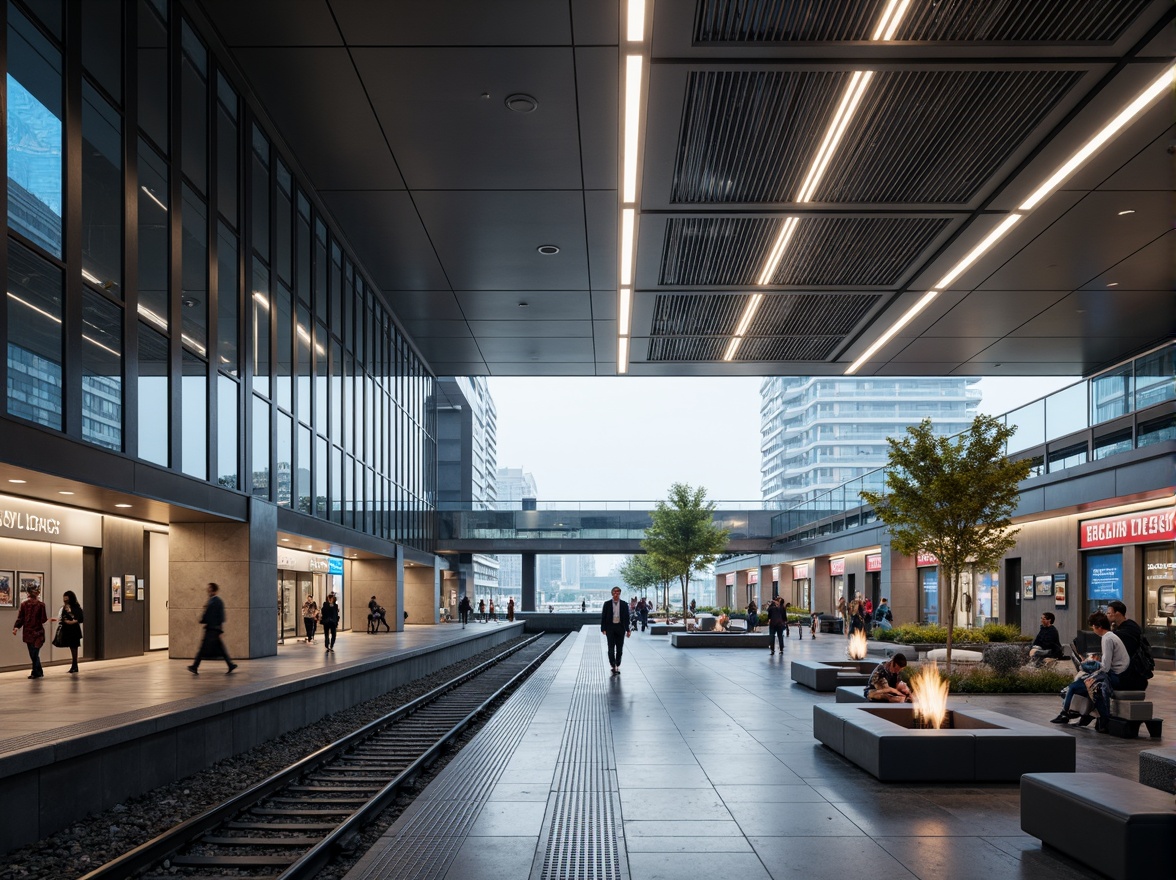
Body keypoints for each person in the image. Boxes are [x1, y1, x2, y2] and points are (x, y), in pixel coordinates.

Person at [1052, 612, 1128, 730]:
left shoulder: (1107, 639)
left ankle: (1065, 714)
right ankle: (1080, 714)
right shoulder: (1111, 636)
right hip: (1118, 674)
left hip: (1114, 676)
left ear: (1098, 626)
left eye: (1093, 626)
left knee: (1074, 687)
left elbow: (1105, 667)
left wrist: (1089, 664)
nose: (1093, 629)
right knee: (1083, 683)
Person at [189, 582, 237, 674]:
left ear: (213, 590)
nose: (207, 590)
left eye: (209, 588)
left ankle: (195, 666)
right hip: (213, 629)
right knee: (221, 648)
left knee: (203, 648)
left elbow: (219, 616)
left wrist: (220, 630)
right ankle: (230, 665)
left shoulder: (216, 601)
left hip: (212, 629)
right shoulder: (213, 600)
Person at [12, 583, 48, 679]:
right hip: (35, 632)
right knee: (34, 653)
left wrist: (16, 627)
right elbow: (43, 619)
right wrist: (16, 627)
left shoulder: (29, 605)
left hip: (33, 632)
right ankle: (39, 671)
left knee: (34, 653)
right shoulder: (39, 605)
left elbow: (21, 618)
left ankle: (35, 672)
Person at [51, 590, 84, 673]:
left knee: (74, 648)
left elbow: (80, 618)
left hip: (74, 630)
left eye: (67, 599)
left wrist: (72, 618)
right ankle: (74, 665)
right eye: (64, 599)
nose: (65, 601)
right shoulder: (64, 608)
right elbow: (62, 617)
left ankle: (75, 665)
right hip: (67, 629)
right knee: (72, 647)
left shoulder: (76, 608)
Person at [601, 586, 631, 674]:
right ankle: (613, 664)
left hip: (620, 628)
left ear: (620, 593)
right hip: (610, 628)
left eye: (618, 592)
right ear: (612, 593)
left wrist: (628, 630)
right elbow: (603, 616)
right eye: (614, 592)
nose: (616, 593)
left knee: (619, 648)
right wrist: (603, 628)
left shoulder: (624, 604)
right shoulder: (607, 604)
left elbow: (626, 618)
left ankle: (618, 662)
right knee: (610, 647)